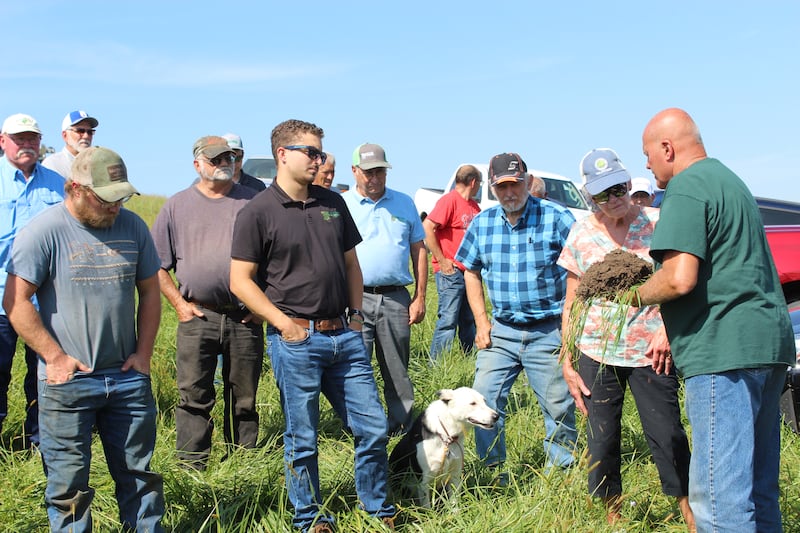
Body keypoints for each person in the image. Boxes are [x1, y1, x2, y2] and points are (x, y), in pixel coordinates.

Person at [229, 120, 396, 532]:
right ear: (282, 154)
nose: (319, 160)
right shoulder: (257, 212)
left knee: (373, 428)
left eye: (320, 153)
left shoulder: (331, 204)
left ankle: (376, 511)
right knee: (302, 437)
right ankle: (310, 517)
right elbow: (240, 280)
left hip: (344, 336)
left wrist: (356, 317)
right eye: (311, 152)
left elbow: (351, 265)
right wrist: (284, 325)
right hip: (296, 342)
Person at [635, 108, 794, 532]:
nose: (646, 164)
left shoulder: (687, 187)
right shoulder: (730, 182)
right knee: (758, 494)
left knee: (719, 503)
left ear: (667, 148)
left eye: (648, 153)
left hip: (723, 350)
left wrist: (635, 294)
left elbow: (679, 278)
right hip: (767, 345)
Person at [2, 146, 165, 532]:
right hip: (67, 383)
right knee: (69, 488)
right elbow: (15, 301)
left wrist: (143, 354)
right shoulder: (43, 232)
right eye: (106, 198)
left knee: (140, 479)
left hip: (126, 380)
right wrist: (54, 357)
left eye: (121, 197)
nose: (115, 207)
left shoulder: (133, 227)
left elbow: (151, 293)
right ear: (74, 188)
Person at [558, 148, 693, 528]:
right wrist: (567, 360)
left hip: (652, 352)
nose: (614, 199)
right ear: (590, 196)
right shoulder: (581, 233)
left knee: (667, 435)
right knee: (602, 441)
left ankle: (691, 515)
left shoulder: (658, 223)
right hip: (595, 352)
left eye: (619, 188)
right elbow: (572, 302)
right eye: (603, 194)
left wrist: (668, 329)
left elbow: (682, 283)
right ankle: (612, 518)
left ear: (631, 184)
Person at [455, 152, 578, 476]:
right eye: (502, 187)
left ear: (527, 180)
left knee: (558, 405)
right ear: (493, 187)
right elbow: (470, 270)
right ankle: (492, 472)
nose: (509, 193)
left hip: (548, 330)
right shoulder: (483, 223)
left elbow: (583, 263)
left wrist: (573, 324)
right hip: (502, 330)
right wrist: (482, 322)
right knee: (483, 400)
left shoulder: (556, 217)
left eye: (515, 184)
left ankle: (560, 473)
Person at [152, 136, 263, 470]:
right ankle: (191, 467)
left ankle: (242, 465)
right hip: (197, 316)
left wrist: (261, 309)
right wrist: (179, 306)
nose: (223, 164)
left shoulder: (254, 202)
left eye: (228, 158)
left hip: (245, 318)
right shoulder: (177, 206)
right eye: (215, 159)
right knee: (193, 396)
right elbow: (156, 265)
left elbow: (276, 260)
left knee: (243, 398)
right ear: (197, 164)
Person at [342, 143, 427, 435]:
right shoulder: (342, 205)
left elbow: (419, 249)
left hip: (395, 298)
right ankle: (361, 426)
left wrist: (419, 297)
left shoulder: (404, 203)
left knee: (397, 367)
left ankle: (401, 426)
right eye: (368, 172)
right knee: (355, 364)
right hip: (355, 297)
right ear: (354, 171)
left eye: (379, 171)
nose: (374, 178)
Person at [0, 113, 65, 449]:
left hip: (45, 303)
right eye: (19, 138)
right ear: (3, 141)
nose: (27, 144)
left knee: (43, 377)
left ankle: (39, 443)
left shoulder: (57, 184)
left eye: (32, 138)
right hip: (0, 301)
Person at [423, 164, 481, 361]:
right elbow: (427, 227)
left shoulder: (474, 206)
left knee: (468, 320)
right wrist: (442, 260)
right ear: (473, 182)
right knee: (448, 320)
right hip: (452, 272)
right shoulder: (449, 201)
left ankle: (469, 361)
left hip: (469, 273)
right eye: (479, 183)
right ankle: (438, 365)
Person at [42, 110, 99, 178]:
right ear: (65, 135)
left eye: (90, 132)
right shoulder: (52, 165)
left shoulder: (99, 165)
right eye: (80, 131)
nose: (86, 136)